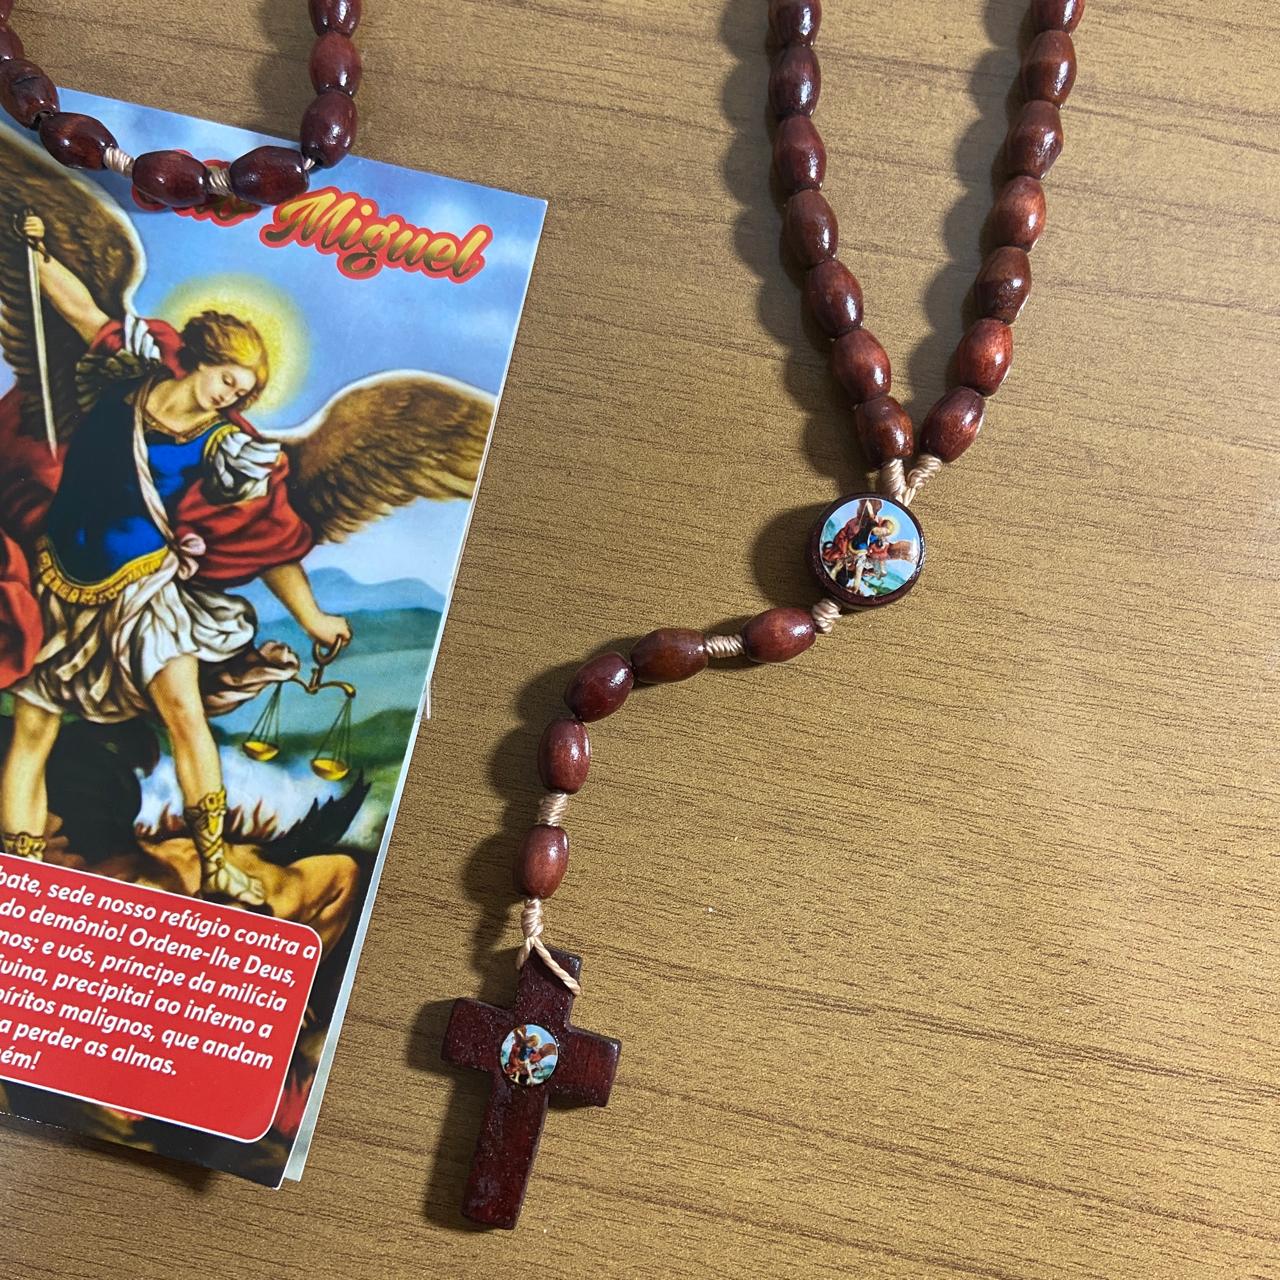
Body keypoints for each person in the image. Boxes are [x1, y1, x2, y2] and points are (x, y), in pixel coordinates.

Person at [0, 213, 350, 906]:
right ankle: (21, 868)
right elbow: (79, 309)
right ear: (202, 357)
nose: (232, 395)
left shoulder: (227, 448)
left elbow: (268, 538)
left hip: (145, 596)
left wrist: (313, 617)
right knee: (34, 728)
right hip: (58, 581)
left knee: (186, 715)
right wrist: (38, 252)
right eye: (229, 379)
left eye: (243, 392)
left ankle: (216, 864)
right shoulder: (126, 372)